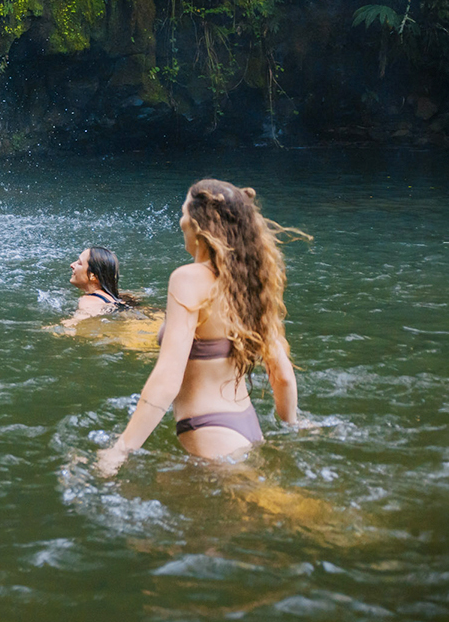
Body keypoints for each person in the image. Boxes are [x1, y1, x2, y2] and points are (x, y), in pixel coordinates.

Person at [97, 179, 308, 474]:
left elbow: (168, 377)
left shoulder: (188, 279)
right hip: (248, 426)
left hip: (207, 429)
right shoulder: (251, 284)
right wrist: (291, 427)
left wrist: (121, 450)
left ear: (198, 225)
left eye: (184, 212)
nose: (181, 220)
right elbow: (282, 375)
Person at [68, 247, 140, 318]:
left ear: (92, 276)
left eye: (79, 263)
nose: (72, 265)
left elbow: (77, 325)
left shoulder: (88, 301)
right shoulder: (117, 297)